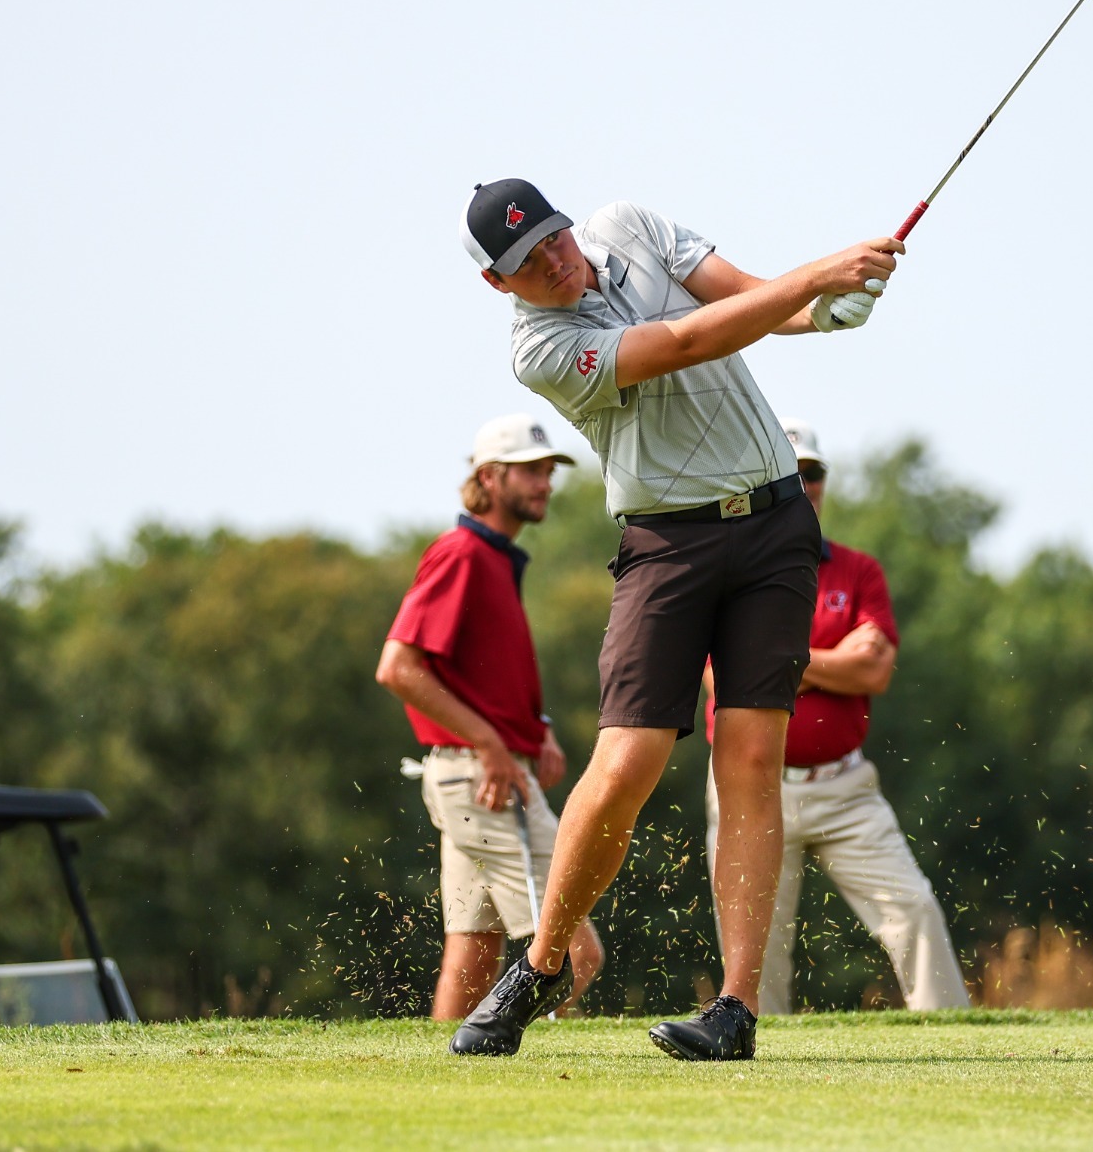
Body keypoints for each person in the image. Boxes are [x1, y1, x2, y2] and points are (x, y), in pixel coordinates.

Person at [447, 178, 899, 1061]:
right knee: (627, 760)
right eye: (526, 261)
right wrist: (817, 276)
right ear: (497, 283)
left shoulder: (629, 226)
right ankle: (540, 964)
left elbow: (746, 299)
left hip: (774, 527)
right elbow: (689, 340)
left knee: (753, 756)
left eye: (552, 236)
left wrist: (823, 311)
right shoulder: (541, 348)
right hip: (666, 543)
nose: (552, 259)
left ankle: (735, 1008)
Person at [705, 419, 971, 1013]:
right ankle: (747, 1046)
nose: (805, 485)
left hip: (845, 787)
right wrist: (832, 659)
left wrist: (783, 661)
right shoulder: (726, 566)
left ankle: (953, 1036)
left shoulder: (859, 570)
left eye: (814, 472)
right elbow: (722, 678)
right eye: (790, 473)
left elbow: (874, 671)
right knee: (756, 953)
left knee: (915, 912)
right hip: (751, 786)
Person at [375, 413, 604, 1019]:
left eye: (548, 471)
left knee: (473, 955)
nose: (545, 483)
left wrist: (536, 729)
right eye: (529, 471)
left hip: (475, 774)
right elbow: (398, 668)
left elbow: (483, 673)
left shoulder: (494, 557)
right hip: (484, 778)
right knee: (575, 954)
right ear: (488, 477)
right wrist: (491, 743)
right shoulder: (462, 554)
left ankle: (444, 1070)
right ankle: (541, 1060)